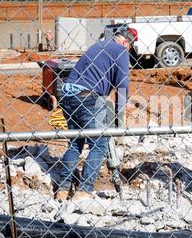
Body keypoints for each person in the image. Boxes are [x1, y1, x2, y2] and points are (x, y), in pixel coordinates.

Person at [55, 29, 133, 202]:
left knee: (75, 142)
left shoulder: (97, 46)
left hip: (67, 96)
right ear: (126, 43)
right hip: (88, 97)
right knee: (99, 144)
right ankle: (84, 191)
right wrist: (120, 114)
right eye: (130, 49)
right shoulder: (120, 51)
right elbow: (122, 83)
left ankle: (63, 189)